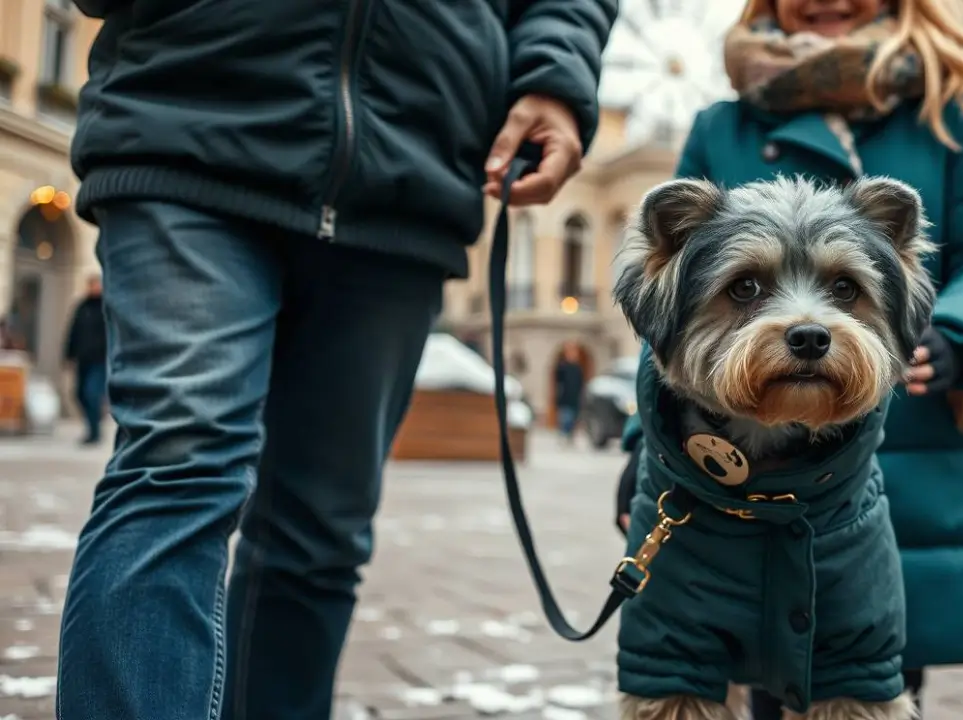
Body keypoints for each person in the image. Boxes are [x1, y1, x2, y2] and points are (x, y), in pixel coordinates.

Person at [55, 1, 616, 718]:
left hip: (406, 176)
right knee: (177, 468)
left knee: (319, 532)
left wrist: (557, 76)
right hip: (190, 115)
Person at [613, 0, 963, 715]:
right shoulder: (722, 125)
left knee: (873, 668)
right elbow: (676, 302)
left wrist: (955, 332)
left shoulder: (941, 112)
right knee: (740, 663)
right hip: (727, 470)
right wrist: (646, 444)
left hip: (908, 447)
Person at [63, 274, 108, 445]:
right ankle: (92, 423)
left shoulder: (106, 307)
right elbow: (73, 332)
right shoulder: (82, 306)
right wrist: (68, 355)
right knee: (79, 394)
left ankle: (94, 432)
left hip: (100, 360)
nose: (93, 288)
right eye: (91, 284)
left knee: (92, 394)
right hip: (83, 358)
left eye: (96, 284)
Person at [553, 342, 586, 445]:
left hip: (575, 398)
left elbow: (581, 383)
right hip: (565, 397)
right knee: (566, 418)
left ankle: (569, 436)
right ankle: (564, 435)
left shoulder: (578, 368)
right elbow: (558, 380)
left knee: (573, 419)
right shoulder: (562, 367)